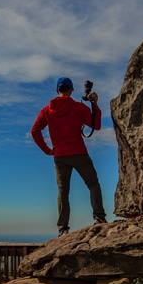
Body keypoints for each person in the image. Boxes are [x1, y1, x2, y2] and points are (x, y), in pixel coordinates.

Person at [31, 77, 107, 236]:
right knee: (93, 184)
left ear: (57, 91)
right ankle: (99, 217)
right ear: (71, 90)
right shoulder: (78, 107)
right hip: (79, 152)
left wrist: (47, 150)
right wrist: (95, 104)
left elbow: (35, 131)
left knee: (63, 191)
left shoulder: (47, 110)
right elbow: (97, 125)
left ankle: (63, 228)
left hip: (60, 156)